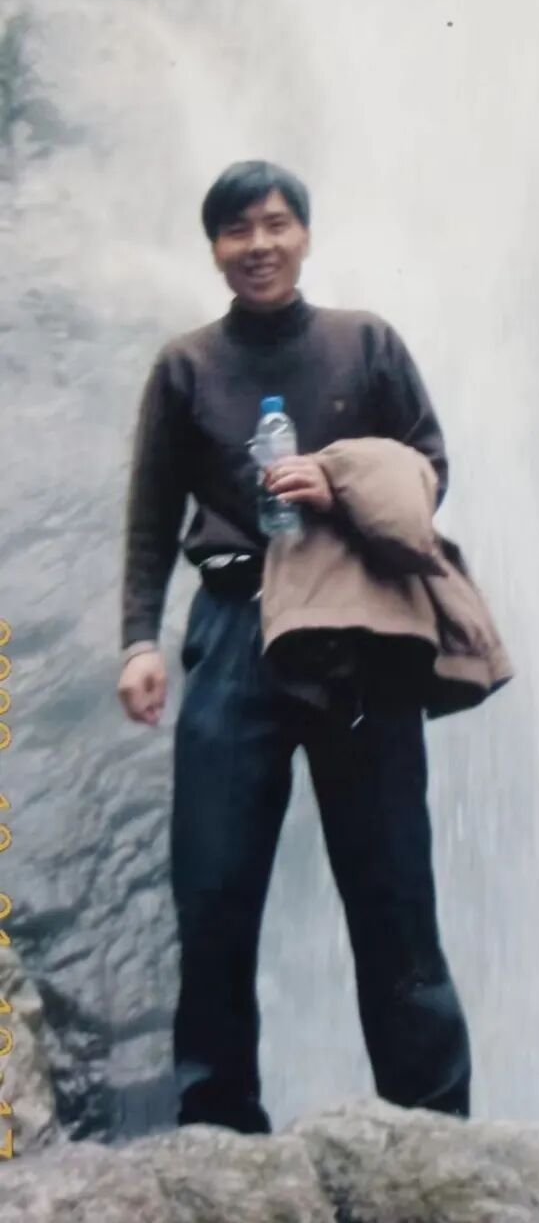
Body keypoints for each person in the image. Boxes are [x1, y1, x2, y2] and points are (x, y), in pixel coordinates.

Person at [117, 159, 471, 1134]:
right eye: (237, 229)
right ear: (215, 249)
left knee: (392, 890)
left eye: (276, 224)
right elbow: (151, 516)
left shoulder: (367, 343)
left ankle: (433, 1128)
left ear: (305, 235)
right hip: (235, 628)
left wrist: (338, 479)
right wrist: (138, 641)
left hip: (359, 624)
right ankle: (219, 1130)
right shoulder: (185, 367)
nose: (259, 244)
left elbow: (429, 466)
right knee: (214, 893)